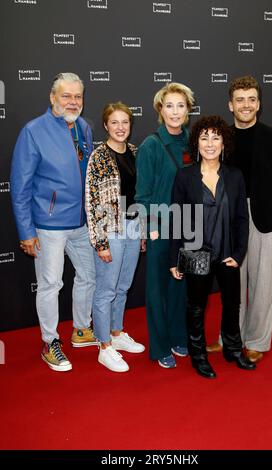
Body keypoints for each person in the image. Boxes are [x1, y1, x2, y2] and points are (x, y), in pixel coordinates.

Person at [10, 72, 96, 372]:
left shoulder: (84, 127)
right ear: (52, 98)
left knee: (89, 275)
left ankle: (82, 329)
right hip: (48, 225)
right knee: (50, 284)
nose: (72, 102)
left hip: (81, 222)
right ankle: (50, 341)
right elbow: (20, 187)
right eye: (66, 96)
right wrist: (26, 230)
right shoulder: (33, 131)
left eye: (77, 97)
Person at [207, 76, 272, 362]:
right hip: (229, 218)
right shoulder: (222, 139)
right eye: (240, 100)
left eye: (251, 99)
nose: (246, 105)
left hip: (264, 218)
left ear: (259, 104)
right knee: (232, 281)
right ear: (231, 105)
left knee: (262, 281)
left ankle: (257, 339)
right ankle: (230, 335)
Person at [170, 115, 256, 378]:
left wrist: (239, 254)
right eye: (204, 137)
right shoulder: (185, 176)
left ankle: (232, 350)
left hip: (228, 251)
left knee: (232, 304)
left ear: (223, 143)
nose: (210, 143)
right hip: (196, 251)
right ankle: (198, 356)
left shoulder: (235, 176)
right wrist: (175, 259)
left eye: (216, 138)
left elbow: (242, 218)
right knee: (196, 307)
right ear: (196, 142)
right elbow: (176, 218)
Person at [135, 82, 195, 368]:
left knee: (181, 285)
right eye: (169, 105)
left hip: (190, 226)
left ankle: (178, 336)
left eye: (180, 105)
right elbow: (142, 194)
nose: (175, 111)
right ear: (160, 109)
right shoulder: (150, 145)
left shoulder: (193, 141)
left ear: (188, 110)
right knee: (158, 288)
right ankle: (160, 347)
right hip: (161, 226)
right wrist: (150, 229)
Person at [85, 102, 145, 373]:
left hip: (133, 227)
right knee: (106, 290)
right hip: (110, 229)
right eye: (115, 122)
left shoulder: (136, 152)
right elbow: (91, 200)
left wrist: (142, 230)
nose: (121, 127)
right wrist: (100, 241)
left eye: (125, 122)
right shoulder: (98, 157)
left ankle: (117, 333)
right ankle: (104, 346)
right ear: (106, 126)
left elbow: (141, 195)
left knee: (123, 286)